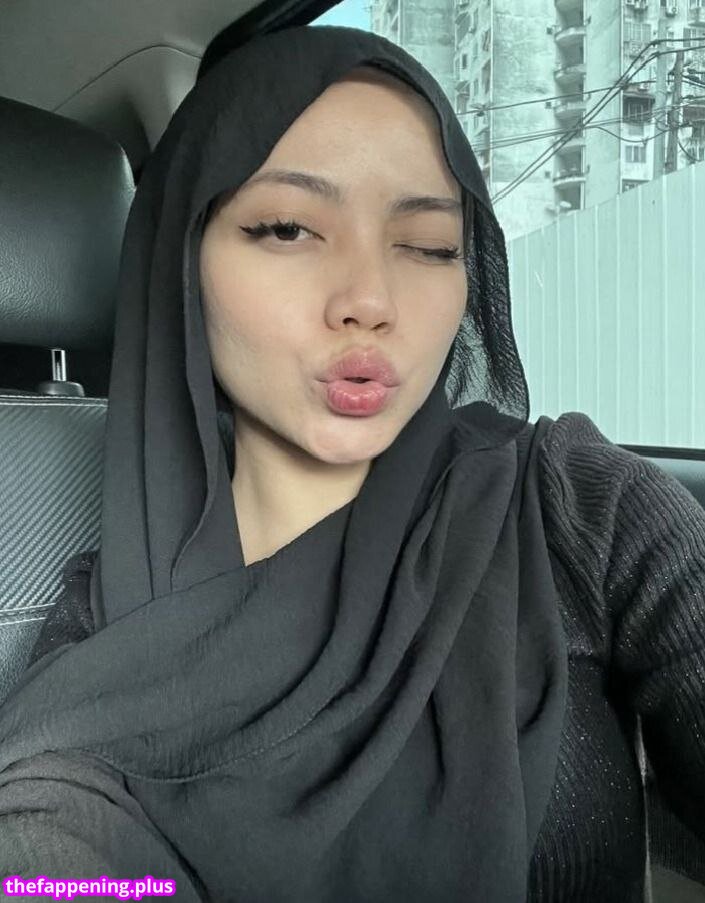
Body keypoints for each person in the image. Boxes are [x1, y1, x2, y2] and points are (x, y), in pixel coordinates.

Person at [0, 23, 704, 903]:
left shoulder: (572, 506)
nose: (371, 299)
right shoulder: (106, 627)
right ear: (181, 260)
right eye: (288, 228)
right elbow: (48, 850)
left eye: (430, 245)